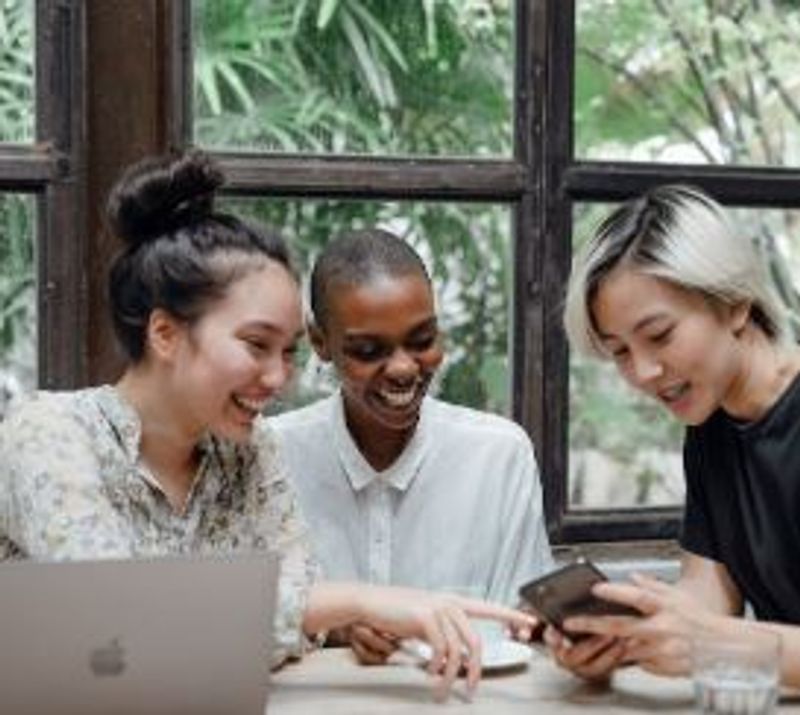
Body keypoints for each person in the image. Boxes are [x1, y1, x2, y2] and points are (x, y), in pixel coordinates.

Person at [0, 150, 536, 700]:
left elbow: (299, 628)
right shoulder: (49, 433)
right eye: (257, 345)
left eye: (288, 351)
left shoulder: (250, 450)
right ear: (165, 334)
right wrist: (359, 600)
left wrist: (306, 615)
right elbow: (115, 628)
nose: (279, 377)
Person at [268, 227, 553, 665]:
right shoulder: (272, 455)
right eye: (368, 350)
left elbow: (524, 626)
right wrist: (338, 626)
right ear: (320, 342)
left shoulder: (498, 455)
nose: (403, 368)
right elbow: (238, 618)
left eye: (422, 341)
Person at [553, 184, 800, 686]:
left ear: (735, 304)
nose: (643, 372)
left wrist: (720, 643)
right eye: (620, 351)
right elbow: (709, 594)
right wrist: (629, 635)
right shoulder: (711, 425)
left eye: (659, 335)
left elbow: (717, 633)